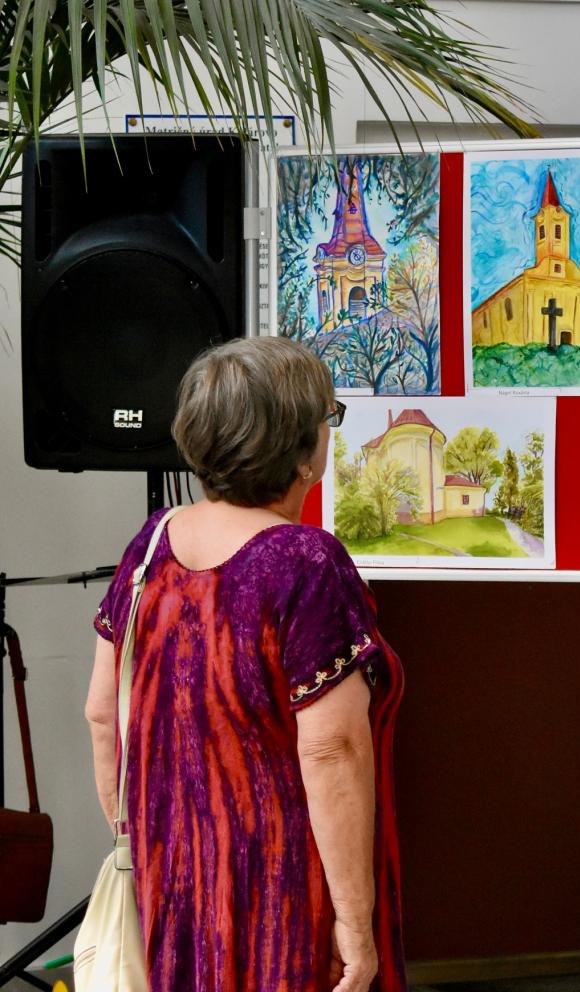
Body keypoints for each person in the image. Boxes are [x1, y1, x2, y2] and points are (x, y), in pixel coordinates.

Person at [84, 336, 406, 992]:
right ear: (301, 449)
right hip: (283, 897)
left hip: (172, 882)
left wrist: (142, 847)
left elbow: (101, 714)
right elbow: (332, 753)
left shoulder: (152, 544)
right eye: (328, 418)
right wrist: (353, 922)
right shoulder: (306, 562)